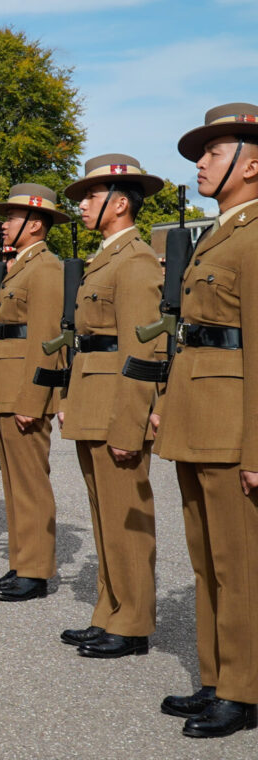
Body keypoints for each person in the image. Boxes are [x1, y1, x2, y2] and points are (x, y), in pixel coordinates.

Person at [153, 104, 258, 738]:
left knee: (239, 561)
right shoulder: (217, 234)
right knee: (204, 556)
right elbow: (193, 337)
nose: (200, 163)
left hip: (233, 424)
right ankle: (217, 676)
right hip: (198, 415)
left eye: (213, 153)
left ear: (253, 164)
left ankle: (245, 689)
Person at [56, 155, 164, 659]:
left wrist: (132, 421)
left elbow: (142, 352)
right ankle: (110, 610)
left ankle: (134, 620)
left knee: (126, 517)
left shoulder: (136, 262)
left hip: (117, 403)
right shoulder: (106, 258)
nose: (80, 205)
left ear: (119, 203)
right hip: (93, 396)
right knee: (103, 515)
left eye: (90, 197)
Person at [0, 184, 66, 602]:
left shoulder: (45, 268)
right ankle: (20, 561)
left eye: (11, 218)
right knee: (14, 483)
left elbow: (46, 339)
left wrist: (34, 399)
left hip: (23, 393)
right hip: (6, 387)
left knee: (30, 483)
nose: (4, 224)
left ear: (34, 224)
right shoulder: (21, 266)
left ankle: (35, 569)